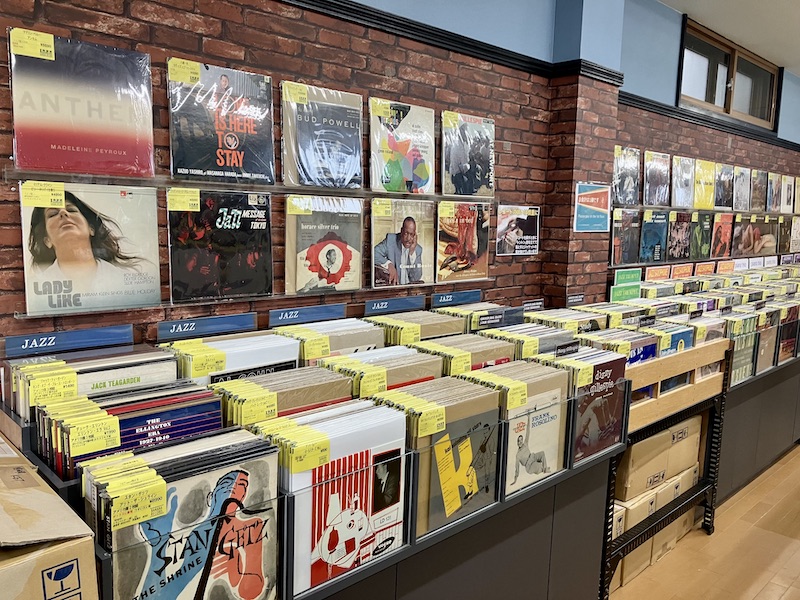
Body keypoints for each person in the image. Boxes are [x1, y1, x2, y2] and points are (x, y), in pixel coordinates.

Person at [26, 191, 155, 312]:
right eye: (53, 214)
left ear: (91, 229)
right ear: (47, 240)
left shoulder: (124, 281)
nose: (64, 213)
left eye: (71, 210)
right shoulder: (35, 290)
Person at [373, 216, 424, 285]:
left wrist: (411, 253)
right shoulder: (390, 241)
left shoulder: (417, 250)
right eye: (406, 233)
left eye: (411, 234)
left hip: (409, 291)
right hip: (393, 289)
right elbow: (373, 253)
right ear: (401, 231)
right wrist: (389, 265)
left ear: (415, 235)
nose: (408, 238)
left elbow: (416, 278)